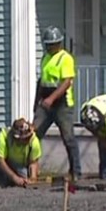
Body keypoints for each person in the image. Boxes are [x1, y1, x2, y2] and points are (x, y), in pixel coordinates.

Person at [33, 26, 82, 182]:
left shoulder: (65, 58)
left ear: (59, 43)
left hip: (62, 104)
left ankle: (76, 172)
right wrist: (37, 103)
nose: (50, 48)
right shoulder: (45, 58)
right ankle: (32, 170)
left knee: (68, 137)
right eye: (48, 44)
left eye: (52, 44)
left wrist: (52, 99)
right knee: (34, 135)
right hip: (45, 103)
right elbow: (42, 82)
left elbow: (66, 83)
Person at [0, 118, 42, 187]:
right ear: (16, 137)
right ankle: (1, 179)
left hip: (20, 165)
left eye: (28, 137)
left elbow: (33, 162)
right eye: (24, 138)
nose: (27, 140)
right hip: (6, 161)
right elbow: (0, 160)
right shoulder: (3, 136)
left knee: (24, 179)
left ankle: (9, 181)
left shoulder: (34, 141)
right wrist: (14, 178)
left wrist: (33, 178)